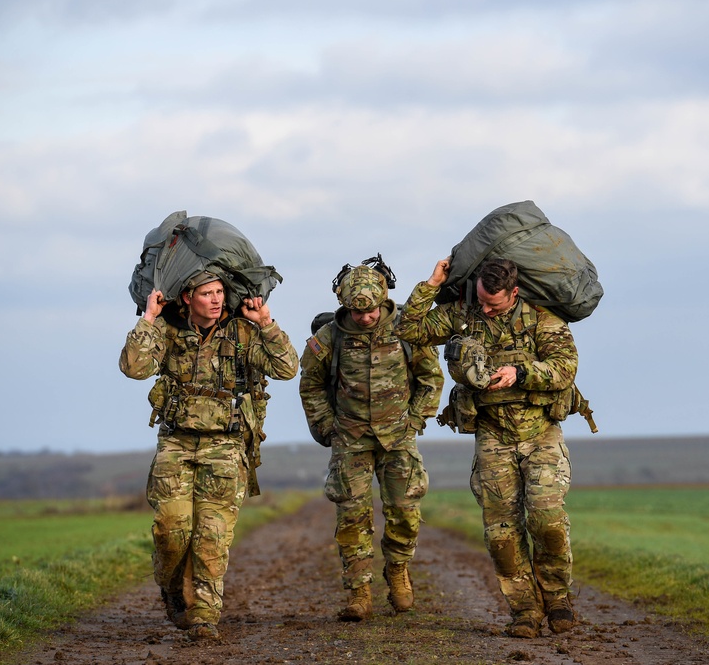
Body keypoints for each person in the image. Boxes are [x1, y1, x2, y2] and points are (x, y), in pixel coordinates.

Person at [395, 257, 578, 639]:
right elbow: (409, 328)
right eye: (482, 300)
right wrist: (432, 283)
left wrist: (520, 372)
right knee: (501, 533)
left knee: (547, 522)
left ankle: (557, 598)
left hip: (539, 432)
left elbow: (564, 368)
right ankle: (525, 609)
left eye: (494, 303)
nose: (487, 308)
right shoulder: (464, 315)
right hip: (493, 436)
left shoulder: (541, 319)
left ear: (514, 292)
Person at [119, 271, 299, 641]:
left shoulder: (242, 333)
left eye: (219, 292)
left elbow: (287, 368)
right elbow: (134, 368)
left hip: (226, 445)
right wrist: (149, 318)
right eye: (206, 293)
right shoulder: (168, 332)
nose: (216, 300)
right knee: (172, 530)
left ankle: (203, 616)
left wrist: (265, 322)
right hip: (177, 444)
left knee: (212, 536)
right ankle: (172, 591)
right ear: (187, 297)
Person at [298, 258, 443, 621]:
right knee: (352, 518)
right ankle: (358, 591)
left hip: (399, 438)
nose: (365, 318)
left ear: (384, 300)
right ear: (344, 305)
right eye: (356, 313)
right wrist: (327, 428)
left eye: (372, 311)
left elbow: (431, 378)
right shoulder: (328, 337)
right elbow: (311, 386)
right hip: (351, 438)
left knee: (405, 514)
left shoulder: (407, 330)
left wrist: (415, 420)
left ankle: (397, 572)